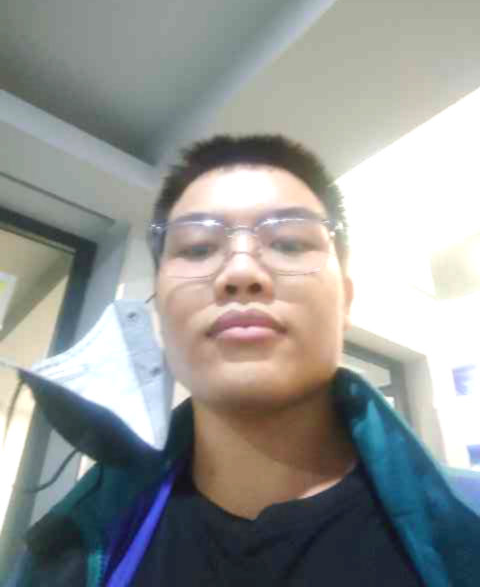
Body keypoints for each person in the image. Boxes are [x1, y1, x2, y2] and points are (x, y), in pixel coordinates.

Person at [3, 135, 480, 586]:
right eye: (197, 248)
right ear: (160, 308)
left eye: (289, 243)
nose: (241, 271)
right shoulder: (64, 553)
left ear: (346, 302)